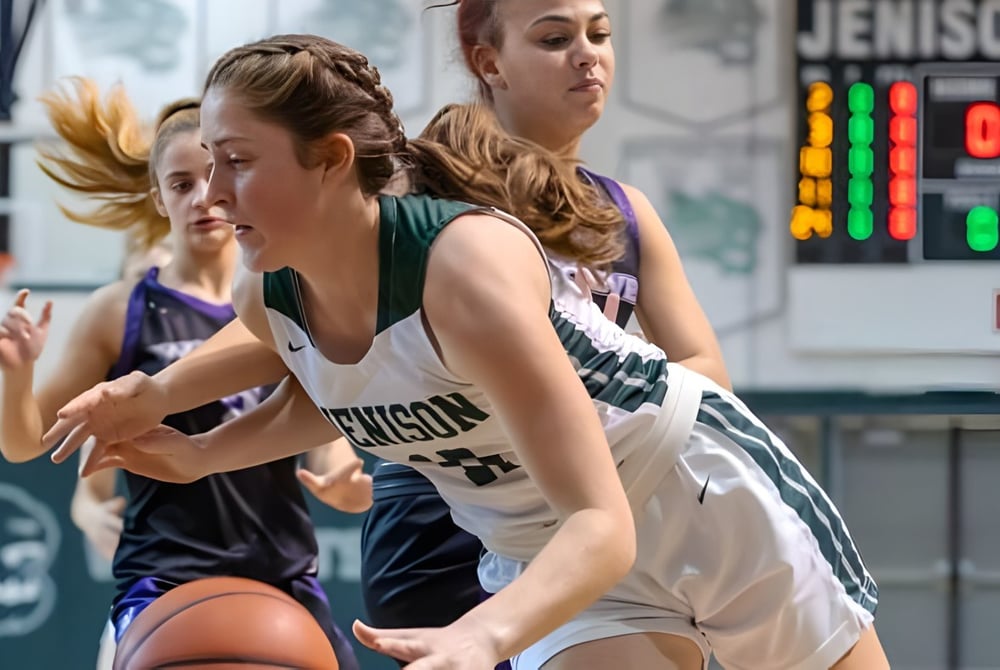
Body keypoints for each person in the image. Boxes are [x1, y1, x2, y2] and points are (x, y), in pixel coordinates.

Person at [43, 34, 889, 670]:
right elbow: (316, 386)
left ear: (331, 162)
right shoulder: (269, 292)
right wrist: (188, 443)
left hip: (694, 491)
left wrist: (482, 633)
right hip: (541, 546)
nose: (218, 194)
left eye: (237, 162)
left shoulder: (466, 268)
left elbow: (606, 522)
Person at [361, 0, 732, 652]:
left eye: (601, 33)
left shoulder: (623, 210)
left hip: (581, 507)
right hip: (447, 509)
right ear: (489, 61)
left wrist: (582, 409)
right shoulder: (425, 189)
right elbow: (296, 315)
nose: (588, 54)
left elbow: (707, 373)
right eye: (556, 38)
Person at [0, 78, 362, 669]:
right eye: (181, 184)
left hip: (284, 579)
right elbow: (21, 446)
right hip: (160, 585)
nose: (204, 198)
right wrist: (18, 375)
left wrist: (346, 480)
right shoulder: (118, 310)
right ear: (158, 198)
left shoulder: (293, 301)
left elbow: (328, 436)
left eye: (218, 176)